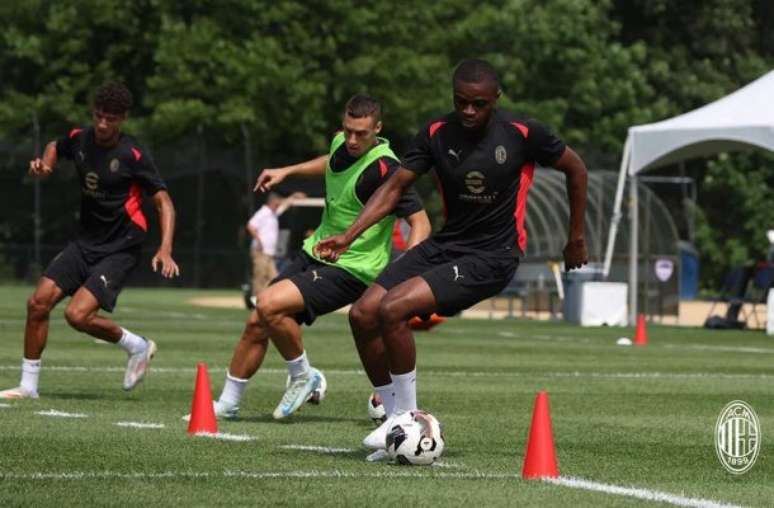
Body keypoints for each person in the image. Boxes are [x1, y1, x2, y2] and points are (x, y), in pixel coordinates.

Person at [315, 59, 589, 457]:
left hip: (493, 255)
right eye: (461, 102)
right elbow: (394, 188)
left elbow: (576, 168)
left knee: (393, 309)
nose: (468, 111)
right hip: (448, 245)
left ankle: (406, 418)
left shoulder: (523, 133)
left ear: (495, 99)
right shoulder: (435, 134)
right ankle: (397, 420)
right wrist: (348, 235)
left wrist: (575, 236)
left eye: (478, 104)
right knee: (362, 313)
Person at [194, 94, 431, 421]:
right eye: (347, 130)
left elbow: (421, 223)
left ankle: (304, 375)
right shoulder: (342, 143)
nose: (351, 139)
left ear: (378, 128)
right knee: (258, 321)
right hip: (316, 252)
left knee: (268, 304)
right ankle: (228, 404)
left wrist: (405, 273)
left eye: (361, 133)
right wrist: (287, 172)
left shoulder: (385, 169)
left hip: (352, 268)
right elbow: (331, 160)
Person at [0, 81, 179, 400]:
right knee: (37, 303)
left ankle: (137, 346)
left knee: (76, 316)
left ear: (123, 118)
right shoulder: (80, 139)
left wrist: (165, 249)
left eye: (110, 118)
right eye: (98, 116)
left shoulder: (133, 154)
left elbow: (164, 202)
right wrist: (47, 166)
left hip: (121, 247)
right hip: (85, 242)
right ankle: (28, 386)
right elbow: (56, 145)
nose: (102, 124)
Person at [244, 191, 305, 308]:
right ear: (272, 202)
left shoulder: (273, 213)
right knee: (260, 276)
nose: (278, 205)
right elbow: (250, 226)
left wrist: (293, 196)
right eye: (277, 203)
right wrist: (259, 241)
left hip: (269, 253)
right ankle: (255, 302)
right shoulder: (263, 213)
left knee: (274, 277)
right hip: (260, 252)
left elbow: (284, 204)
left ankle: (267, 300)